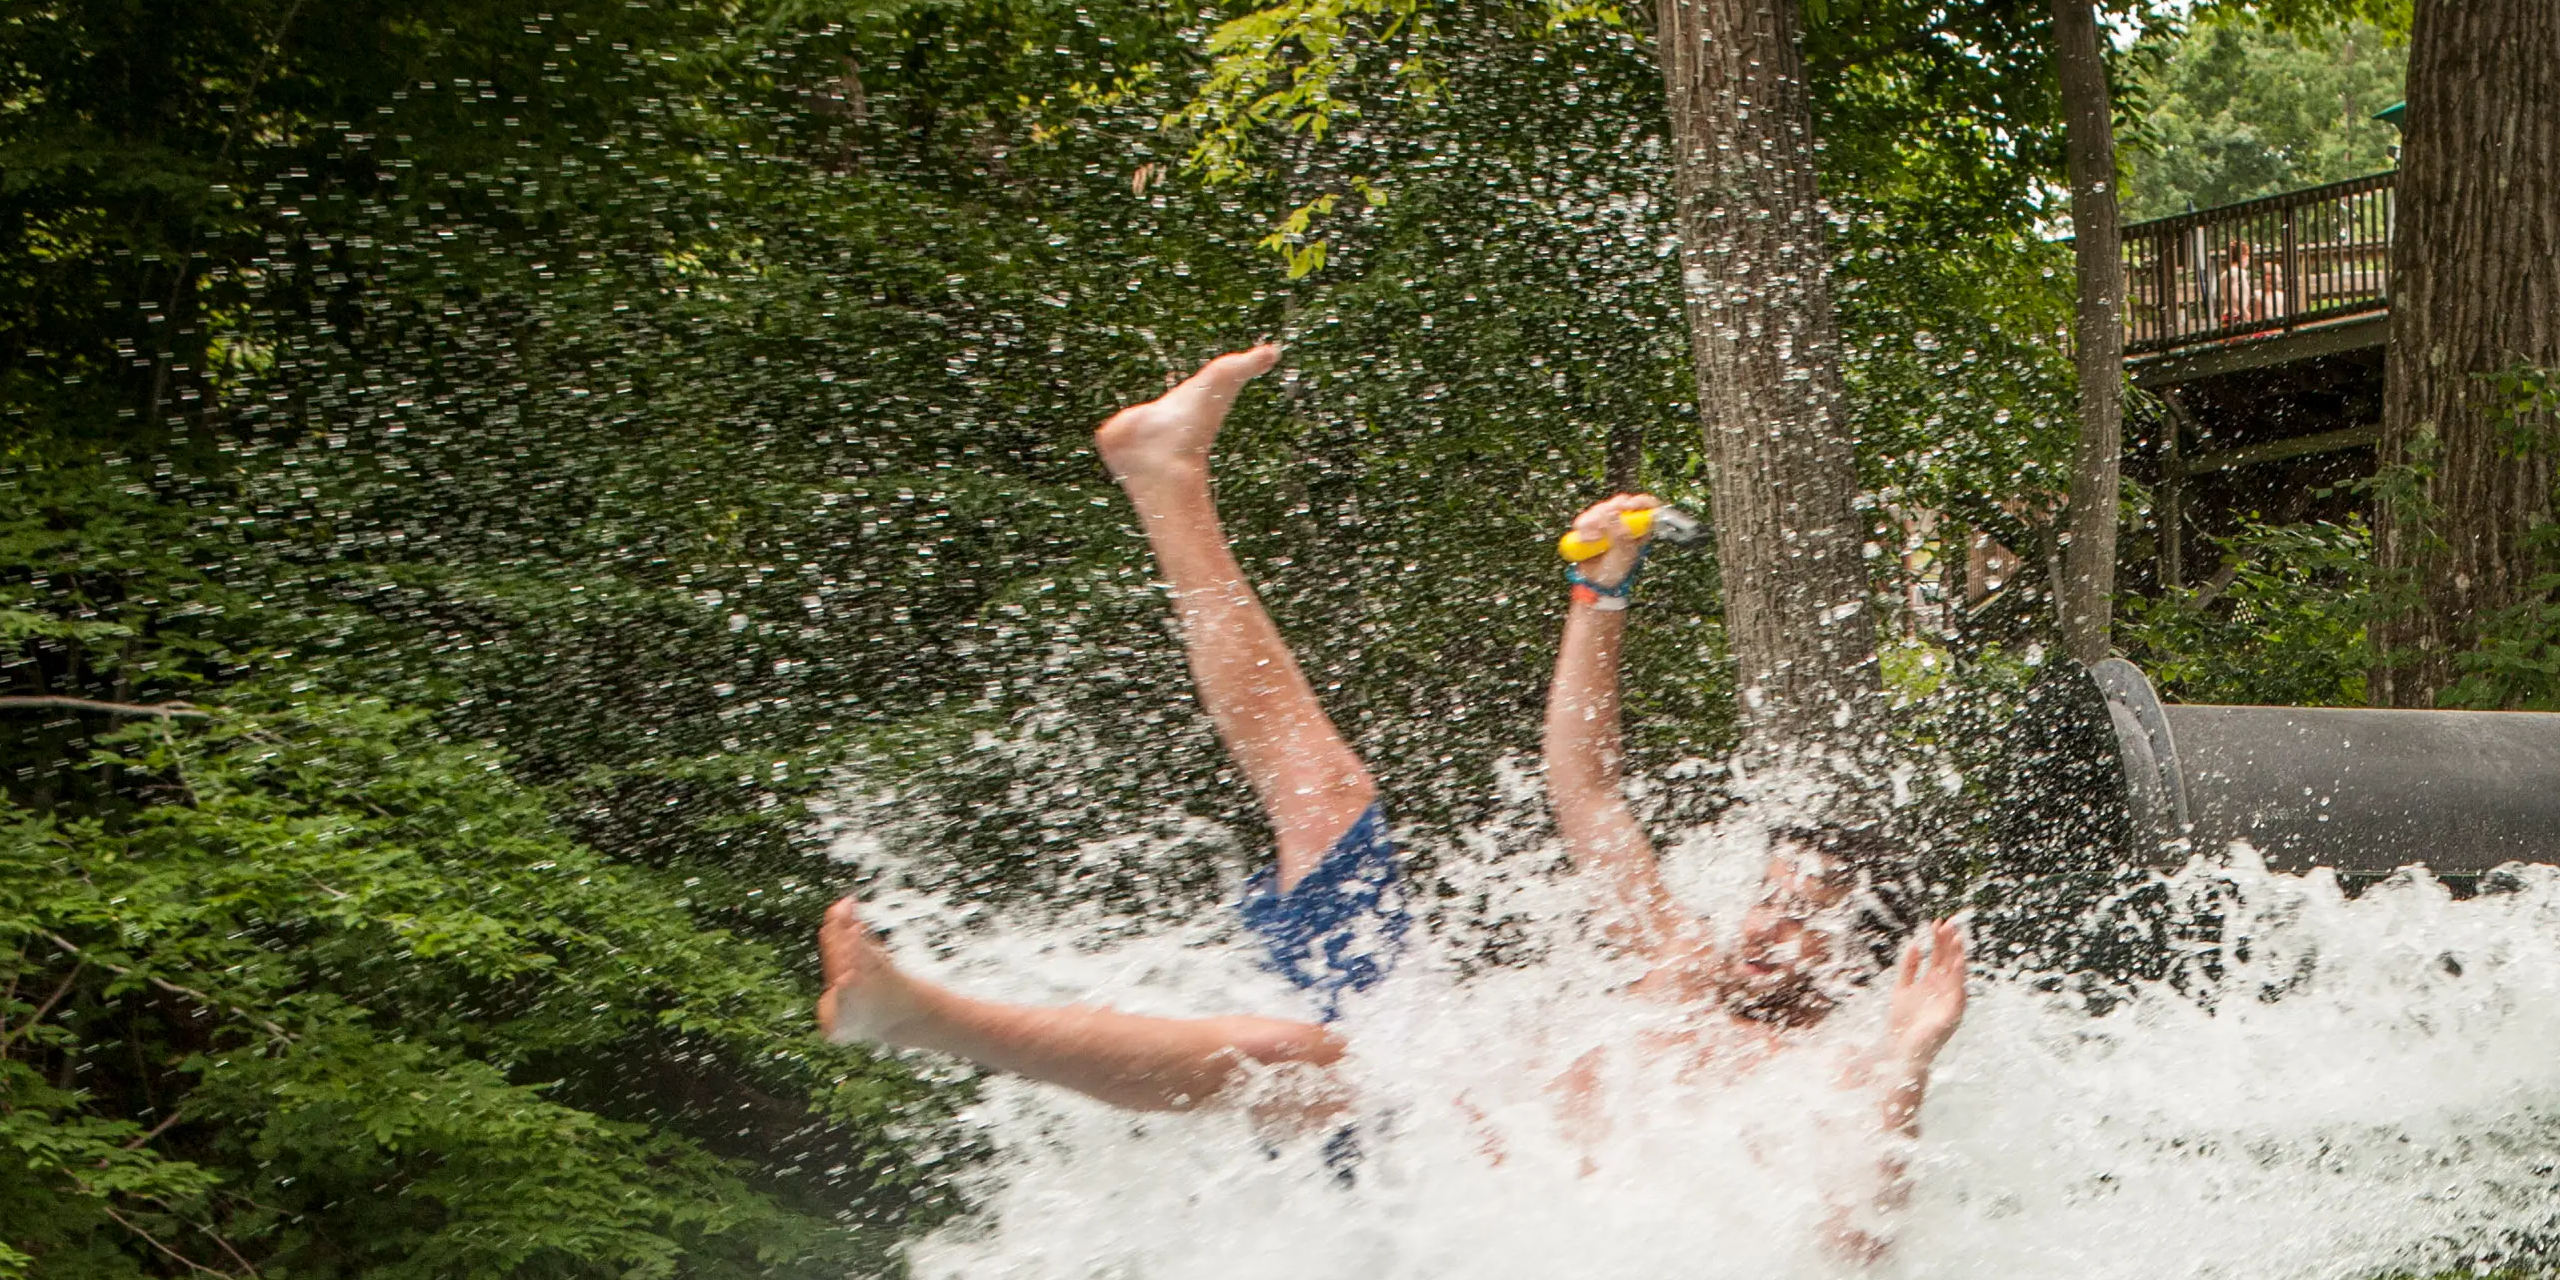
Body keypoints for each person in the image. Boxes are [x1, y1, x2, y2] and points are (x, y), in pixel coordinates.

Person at [812, 349, 1968, 1204]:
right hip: (1413, 1079)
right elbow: (1588, 790)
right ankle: (1165, 472)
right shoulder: (1679, 963)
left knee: (1310, 1062)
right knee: (1327, 795)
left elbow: (1851, 1244)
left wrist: (1909, 1060)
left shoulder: (1825, 1073)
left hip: (1431, 1208)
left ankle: (927, 1018)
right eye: (1770, 894)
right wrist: (1598, 594)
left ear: (1863, 959)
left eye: (1808, 916)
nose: (1767, 924)